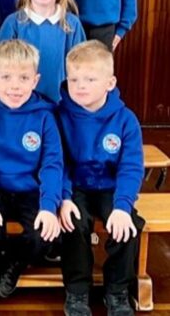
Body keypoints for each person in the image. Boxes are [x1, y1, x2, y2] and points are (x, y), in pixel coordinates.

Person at [0, 40, 62, 310]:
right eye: (6, 77)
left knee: (45, 233)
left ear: (36, 80)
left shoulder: (45, 116)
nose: (15, 85)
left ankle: (14, 261)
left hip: (30, 191)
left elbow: (53, 164)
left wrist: (49, 205)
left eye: (23, 77)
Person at [58, 41, 144, 316]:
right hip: (75, 186)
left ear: (110, 83)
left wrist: (122, 205)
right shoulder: (59, 116)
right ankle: (77, 292)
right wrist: (64, 197)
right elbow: (55, 162)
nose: (80, 85)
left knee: (128, 225)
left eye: (90, 79)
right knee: (73, 222)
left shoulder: (125, 120)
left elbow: (131, 167)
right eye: (74, 79)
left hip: (110, 187)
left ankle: (117, 291)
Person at [0, 0, 86, 103]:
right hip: (22, 105)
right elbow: (0, 67)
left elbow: (81, 68)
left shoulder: (72, 24)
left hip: (61, 105)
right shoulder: (13, 23)